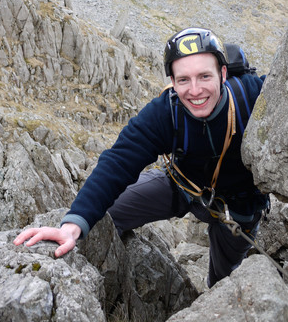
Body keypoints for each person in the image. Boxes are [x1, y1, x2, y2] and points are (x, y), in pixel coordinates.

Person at [14, 27, 268, 287]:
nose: (195, 90)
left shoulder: (253, 96)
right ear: (172, 80)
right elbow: (118, 161)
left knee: (223, 283)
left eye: (204, 76)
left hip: (236, 211)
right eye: (183, 80)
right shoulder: (166, 112)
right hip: (182, 187)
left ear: (223, 73)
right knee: (105, 215)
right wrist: (73, 223)